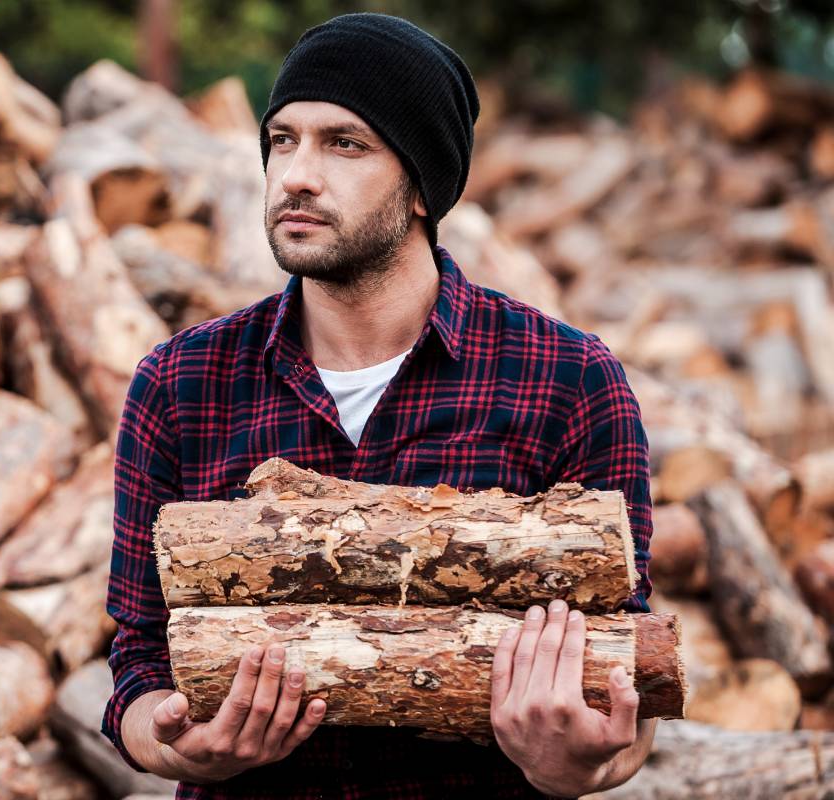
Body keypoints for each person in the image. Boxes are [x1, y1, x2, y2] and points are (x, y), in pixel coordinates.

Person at [101, 12, 655, 799]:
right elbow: (137, 659)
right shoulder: (182, 383)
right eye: (282, 139)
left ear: (423, 185)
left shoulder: (567, 382)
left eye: (345, 144)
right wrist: (176, 748)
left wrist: (578, 765)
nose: (295, 174)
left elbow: (630, 670)